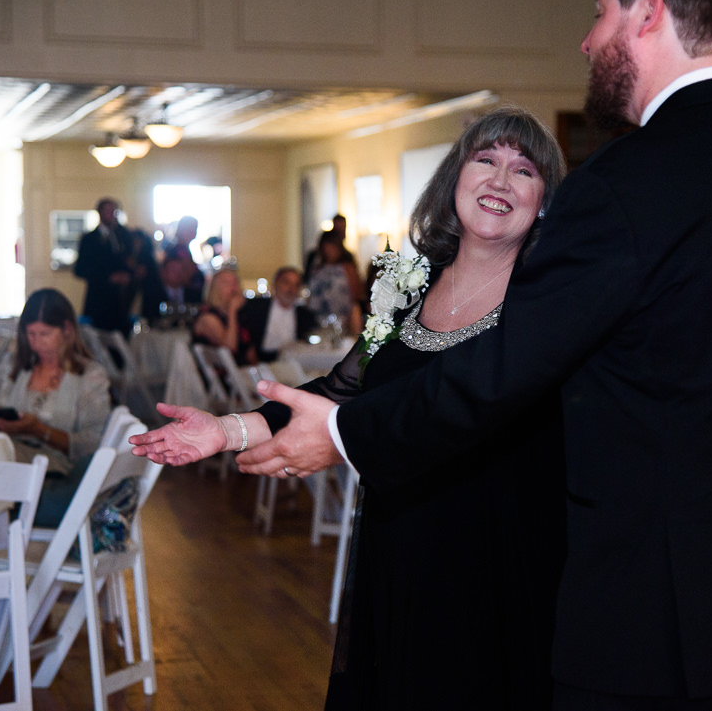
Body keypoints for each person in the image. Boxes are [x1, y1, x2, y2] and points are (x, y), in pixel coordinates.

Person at [141, 0, 712, 710]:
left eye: (601, 12)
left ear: (648, 14)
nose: (586, 40)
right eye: (485, 159)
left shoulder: (621, 187)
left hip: (660, 618)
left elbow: (499, 374)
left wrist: (340, 435)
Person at [133, 105, 568, 710]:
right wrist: (229, 429)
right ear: (455, 178)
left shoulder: (546, 306)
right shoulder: (408, 287)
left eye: (524, 171)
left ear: (544, 202)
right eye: (485, 159)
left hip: (495, 560)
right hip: (400, 541)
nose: (499, 180)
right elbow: (341, 390)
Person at [0, 288, 112, 477]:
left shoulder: (89, 375)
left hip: (57, 471)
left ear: (67, 330)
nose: (36, 343)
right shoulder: (14, 366)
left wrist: (40, 430)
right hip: (11, 457)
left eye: (45, 334)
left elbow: (92, 442)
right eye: (31, 334)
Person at [73, 197, 136, 337]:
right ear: (99, 212)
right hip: (98, 301)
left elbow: (131, 261)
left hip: (121, 302)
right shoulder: (89, 239)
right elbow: (80, 269)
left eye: (113, 211)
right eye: (107, 210)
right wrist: (107, 278)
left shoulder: (124, 236)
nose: (111, 214)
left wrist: (127, 276)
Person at [237, 266, 315, 364]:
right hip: (261, 363)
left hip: (294, 365)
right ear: (275, 283)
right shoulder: (255, 307)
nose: (291, 289)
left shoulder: (305, 315)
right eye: (286, 282)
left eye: (296, 285)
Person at [306, 230, 363, 334]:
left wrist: (352, 318)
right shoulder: (317, 267)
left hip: (342, 318)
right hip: (318, 318)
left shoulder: (347, 267)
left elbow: (356, 295)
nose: (329, 250)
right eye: (326, 246)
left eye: (332, 246)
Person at [191, 269, 245, 352]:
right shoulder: (207, 317)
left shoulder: (241, 313)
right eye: (227, 283)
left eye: (235, 282)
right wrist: (232, 310)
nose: (233, 288)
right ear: (214, 289)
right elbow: (230, 348)